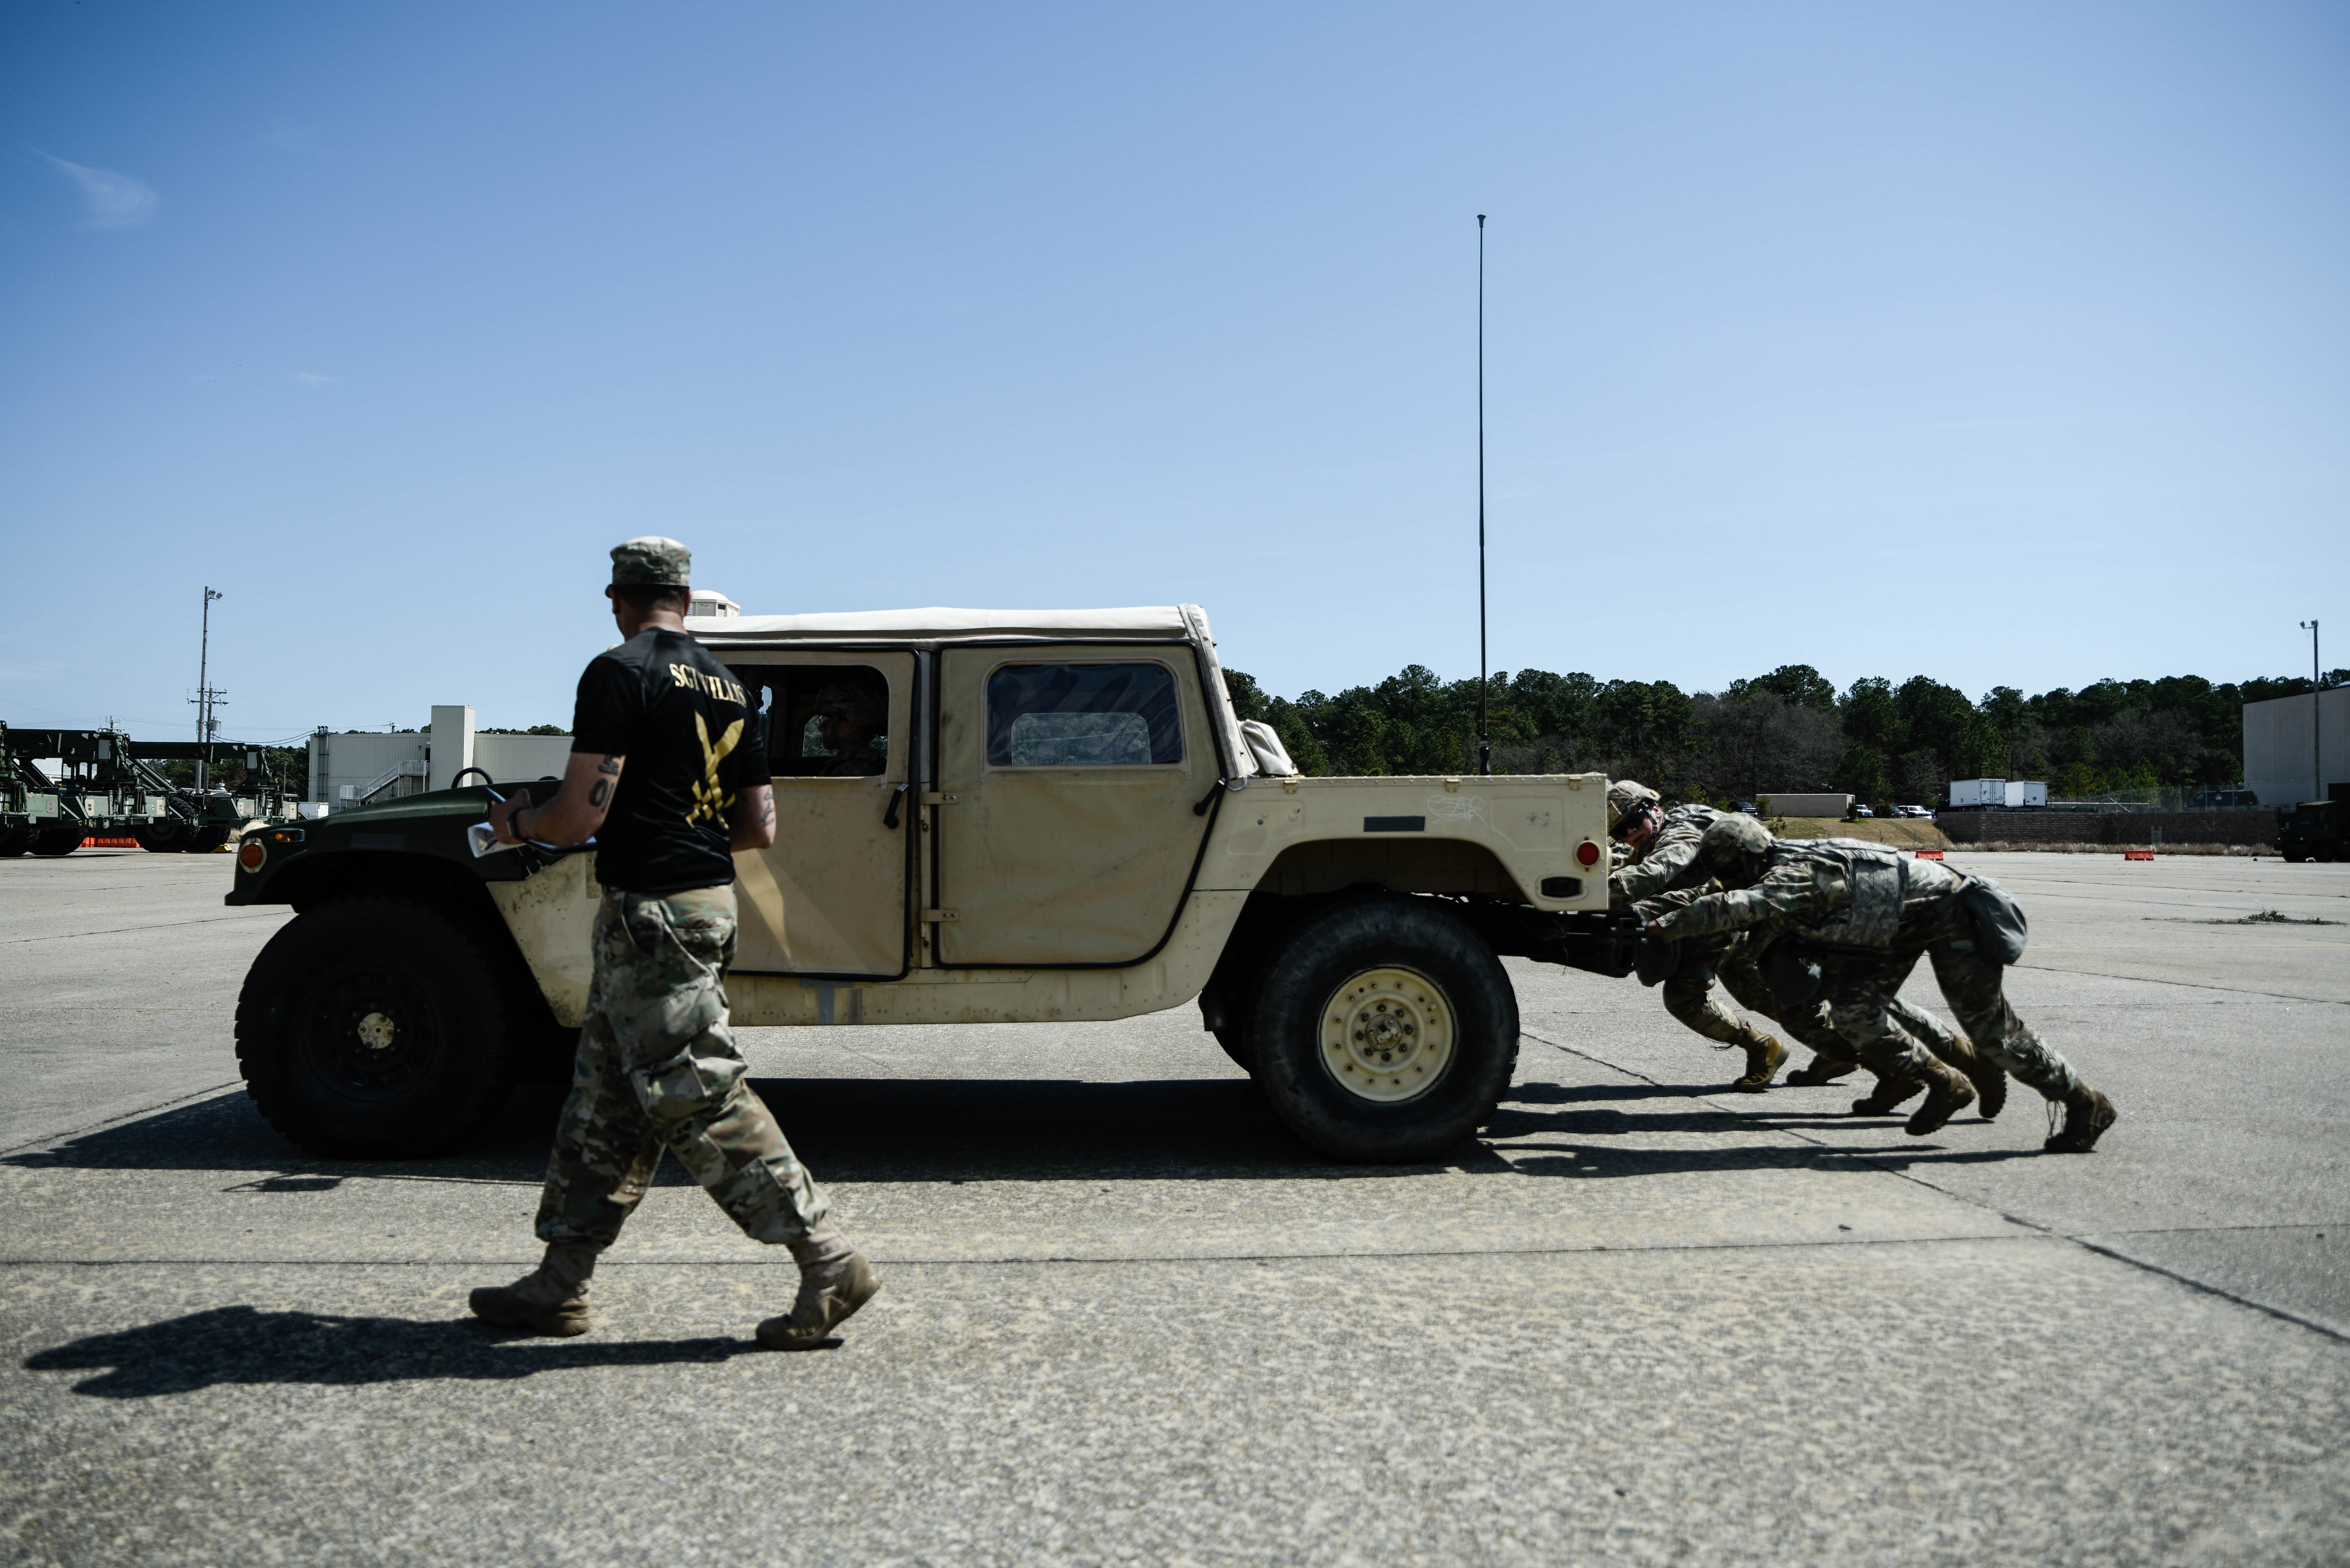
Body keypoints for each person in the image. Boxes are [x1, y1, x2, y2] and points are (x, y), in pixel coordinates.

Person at [468, 537, 880, 1347]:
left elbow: (581, 813)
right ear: (687, 601)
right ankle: (562, 1284)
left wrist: (515, 823)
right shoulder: (731, 688)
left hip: (650, 911)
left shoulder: (620, 671)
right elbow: (759, 827)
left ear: (618, 597)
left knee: (697, 1090)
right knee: (605, 1099)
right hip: (704, 902)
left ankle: (827, 1258)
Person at [1636, 816, 2117, 1151]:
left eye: (1727, 868)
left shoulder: (1796, 871)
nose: (1726, 878)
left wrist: (1661, 927)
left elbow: (1738, 907)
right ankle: (1944, 1081)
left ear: (1745, 858)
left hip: (1948, 916)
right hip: (1890, 931)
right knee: (1854, 1012)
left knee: (1993, 1031)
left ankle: (2086, 1103)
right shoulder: (1780, 863)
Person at [1608, 779, 2003, 1118]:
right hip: (1734, 923)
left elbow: (1660, 870)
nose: (1629, 834)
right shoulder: (1658, 832)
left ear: (1653, 807)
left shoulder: (1681, 829)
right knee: (1803, 1004)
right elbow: (1638, 863)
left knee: (1836, 998)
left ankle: (1952, 1059)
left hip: (1765, 913)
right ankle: (1888, 1065)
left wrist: (1600, 896)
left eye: (1631, 823)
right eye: (1620, 832)